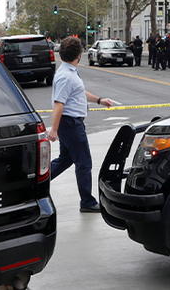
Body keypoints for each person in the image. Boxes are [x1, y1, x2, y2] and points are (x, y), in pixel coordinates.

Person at [48, 36, 119, 213]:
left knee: (65, 160)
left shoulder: (69, 72)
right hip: (70, 124)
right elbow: (59, 104)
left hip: (70, 123)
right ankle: (87, 202)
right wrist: (54, 130)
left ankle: (35, 183)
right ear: (79, 55)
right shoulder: (66, 76)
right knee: (84, 163)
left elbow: (78, 92)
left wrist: (99, 100)